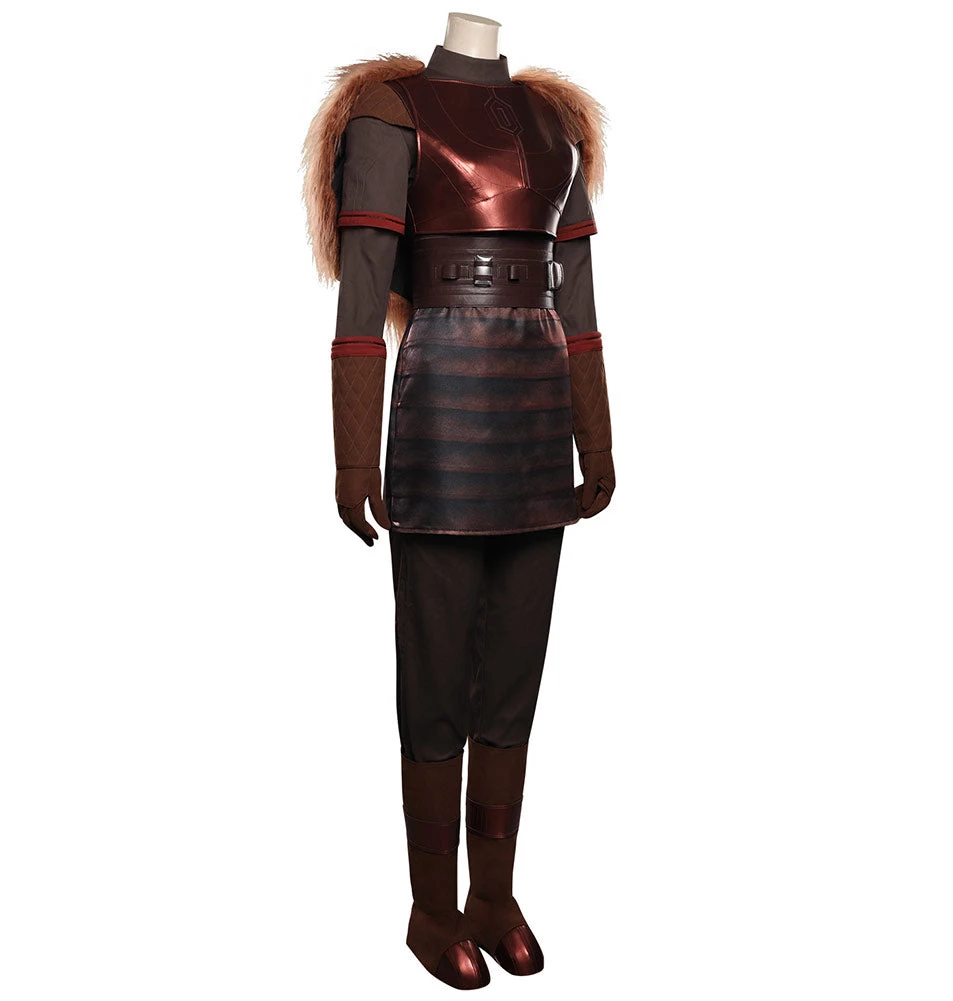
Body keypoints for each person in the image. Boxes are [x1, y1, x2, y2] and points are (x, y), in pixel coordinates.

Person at [302, 23, 615, 990]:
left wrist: (596, 436)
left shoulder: (553, 121)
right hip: (440, 409)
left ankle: (495, 895)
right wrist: (354, 453)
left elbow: (578, 295)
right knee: (435, 676)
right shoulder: (389, 113)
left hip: (535, 413)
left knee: (514, 674)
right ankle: (430, 909)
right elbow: (362, 298)